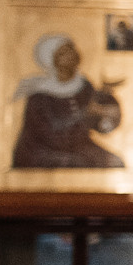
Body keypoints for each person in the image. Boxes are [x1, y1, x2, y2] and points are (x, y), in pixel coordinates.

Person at [12, 35, 124, 169]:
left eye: (72, 49)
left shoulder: (84, 86)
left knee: (116, 163)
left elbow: (97, 124)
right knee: (80, 164)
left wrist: (106, 114)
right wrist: (85, 114)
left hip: (79, 147)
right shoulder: (39, 95)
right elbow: (49, 134)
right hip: (42, 152)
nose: (72, 54)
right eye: (64, 52)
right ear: (51, 60)